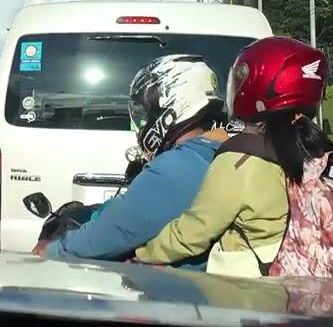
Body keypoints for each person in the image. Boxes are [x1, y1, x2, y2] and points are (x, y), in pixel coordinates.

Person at [134, 37, 333, 279]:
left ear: (258, 85)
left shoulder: (241, 159)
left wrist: (142, 255)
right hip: (310, 283)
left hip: (246, 296)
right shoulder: (320, 151)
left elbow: (193, 233)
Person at [35, 54, 229, 270]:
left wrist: (49, 251)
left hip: (182, 296)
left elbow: (107, 237)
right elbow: (135, 210)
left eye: (146, 113)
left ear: (172, 105)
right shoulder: (215, 151)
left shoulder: (178, 166)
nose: (143, 122)